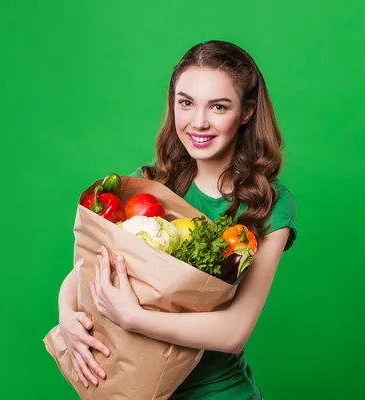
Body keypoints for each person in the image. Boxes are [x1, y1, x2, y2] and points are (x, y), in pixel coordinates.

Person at [57, 40, 297, 399]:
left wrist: (133, 318)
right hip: (132, 384)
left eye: (218, 106)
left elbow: (233, 333)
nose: (198, 122)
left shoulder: (267, 204)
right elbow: (85, 270)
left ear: (247, 112)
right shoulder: (147, 185)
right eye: (186, 102)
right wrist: (66, 316)